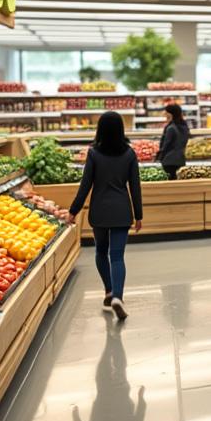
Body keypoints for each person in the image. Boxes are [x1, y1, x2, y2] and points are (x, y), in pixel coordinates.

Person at [70, 111, 143, 321]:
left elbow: (85, 187)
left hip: (99, 211)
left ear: (100, 129)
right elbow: (135, 187)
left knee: (101, 252)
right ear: (121, 129)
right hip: (122, 211)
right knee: (118, 256)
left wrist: (73, 211)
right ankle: (118, 296)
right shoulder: (129, 154)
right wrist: (138, 215)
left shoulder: (93, 154)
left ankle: (109, 291)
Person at [157, 102, 190, 180]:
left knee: (169, 184)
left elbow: (166, 146)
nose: (165, 114)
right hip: (181, 160)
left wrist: (159, 157)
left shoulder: (171, 128)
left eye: (166, 112)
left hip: (169, 162)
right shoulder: (184, 127)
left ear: (171, 114)